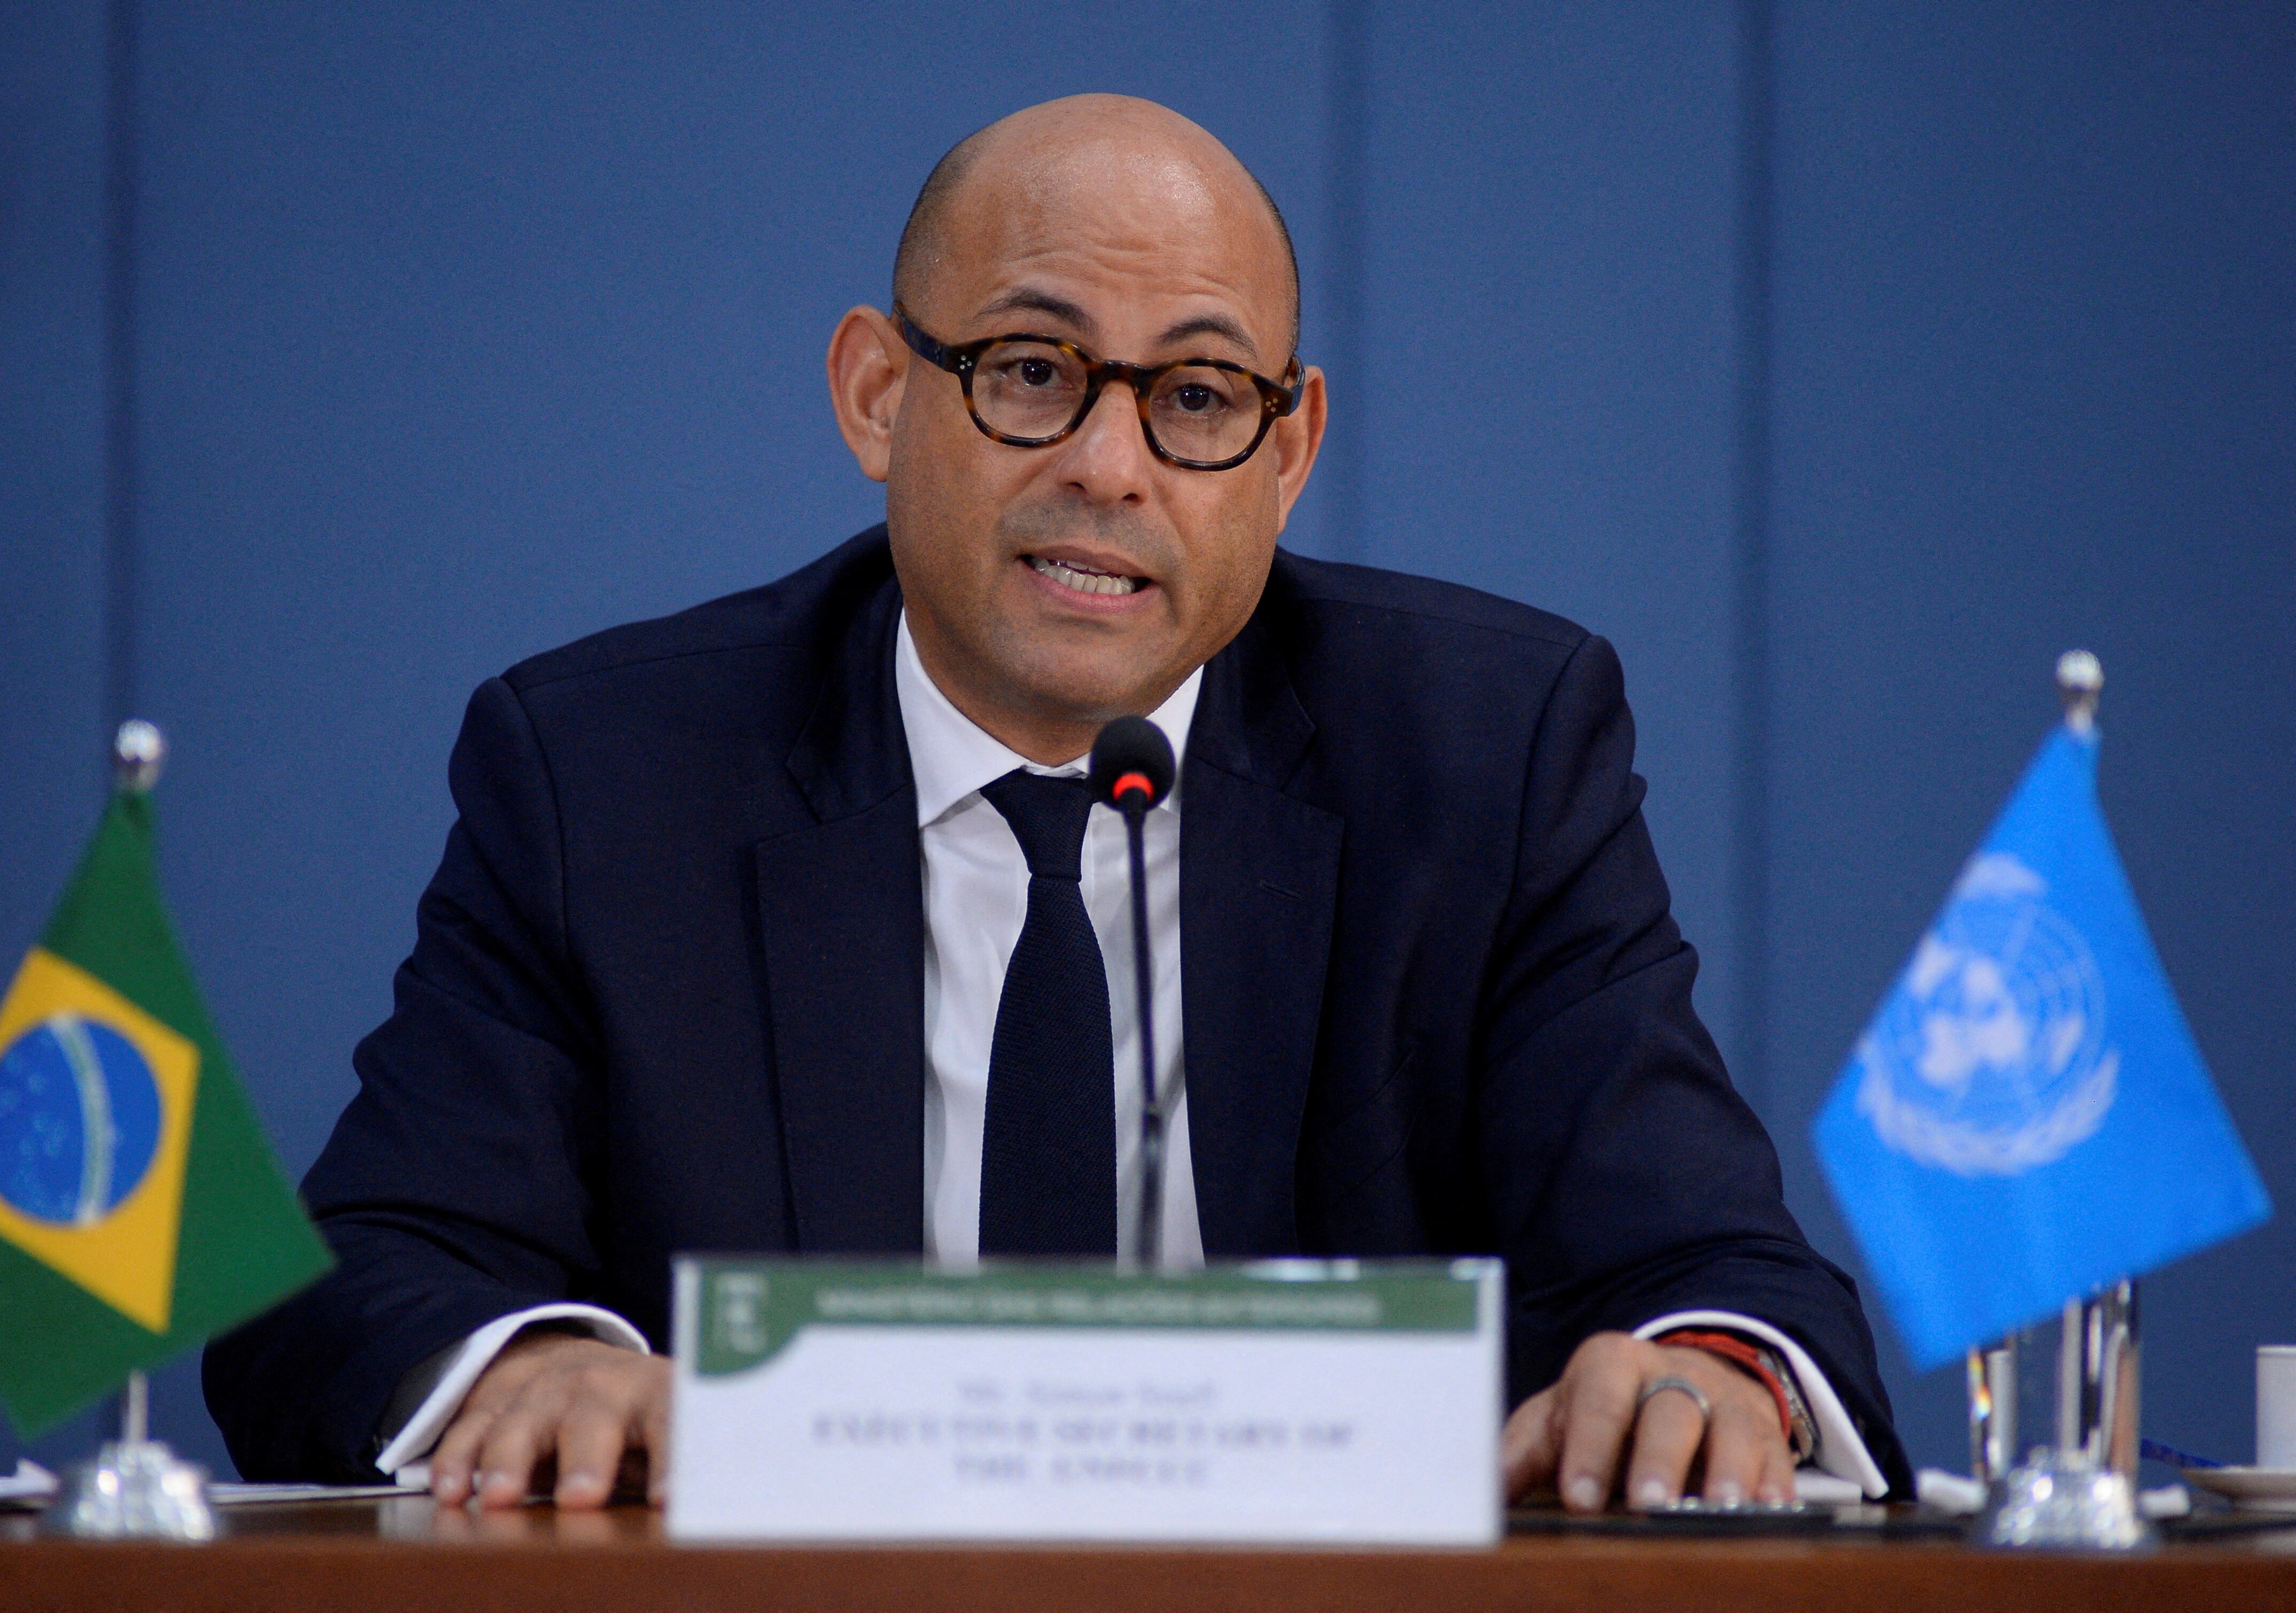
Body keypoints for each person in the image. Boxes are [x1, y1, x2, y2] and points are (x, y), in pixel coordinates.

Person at [205, 93, 1910, 1514]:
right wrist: (530, 1364)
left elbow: (1724, 1273)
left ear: (1290, 447)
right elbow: (352, 1279)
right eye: (1031, 370)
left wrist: (1711, 1381)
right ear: (880, 395)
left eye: (1194, 398)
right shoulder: (609, 773)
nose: (1111, 465)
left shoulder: (1486, 756)